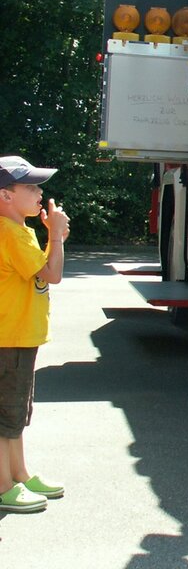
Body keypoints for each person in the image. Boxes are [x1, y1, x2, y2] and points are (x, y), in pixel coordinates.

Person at [0, 155, 70, 513]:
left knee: (15, 413)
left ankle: (19, 474)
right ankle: (3, 485)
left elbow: (42, 272)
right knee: (5, 415)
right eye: (30, 187)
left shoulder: (18, 230)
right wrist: (55, 235)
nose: (39, 193)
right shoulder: (10, 232)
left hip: (18, 337)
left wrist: (51, 237)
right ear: (5, 195)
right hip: (8, 338)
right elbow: (52, 274)